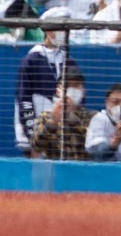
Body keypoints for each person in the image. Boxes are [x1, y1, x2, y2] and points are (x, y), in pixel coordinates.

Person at [13, 8, 79, 156]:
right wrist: (32, 138)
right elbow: (24, 100)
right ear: (49, 31)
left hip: (64, 138)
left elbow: (78, 97)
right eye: (62, 29)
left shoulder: (70, 61)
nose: (66, 33)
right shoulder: (31, 60)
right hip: (35, 134)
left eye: (68, 29)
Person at [31, 67, 96, 160]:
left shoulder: (92, 117)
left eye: (76, 85)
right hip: (56, 171)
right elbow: (36, 146)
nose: (72, 89)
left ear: (83, 91)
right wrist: (52, 123)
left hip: (83, 172)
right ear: (58, 91)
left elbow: (93, 147)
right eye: (68, 86)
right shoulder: (45, 117)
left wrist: (71, 116)